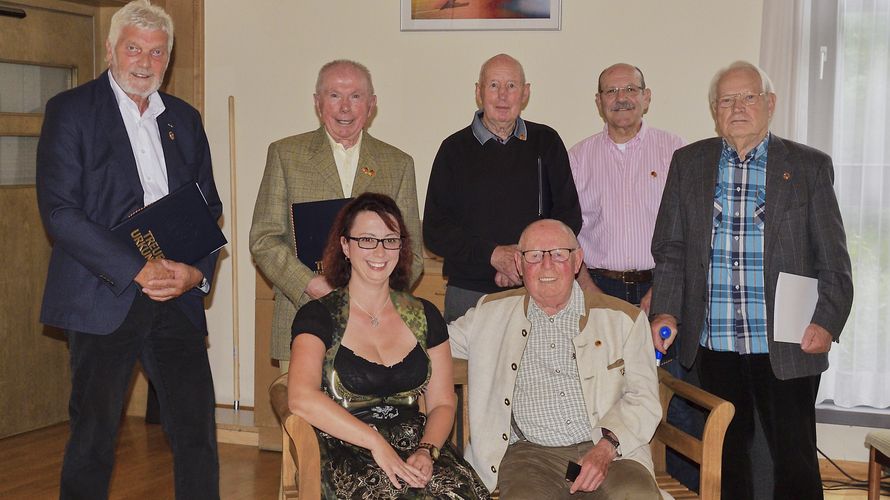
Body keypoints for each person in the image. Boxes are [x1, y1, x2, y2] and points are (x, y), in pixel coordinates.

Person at [35, 1, 222, 498]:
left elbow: (207, 207)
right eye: (134, 48)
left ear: (169, 57)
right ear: (110, 49)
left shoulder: (185, 118)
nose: (145, 62)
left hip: (176, 301)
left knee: (197, 433)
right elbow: (59, 212)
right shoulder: (70, 111)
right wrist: (137, 268)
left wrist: (193, 275)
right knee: (94, 437)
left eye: (157, 52)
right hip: (102, 296)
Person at [649, 60, 854, 500]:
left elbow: (834, 258)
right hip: (715, 340)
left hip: (787, 339)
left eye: (749, 97)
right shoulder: (689, 164)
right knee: (729, 454)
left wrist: (828, 320)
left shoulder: (808, 167)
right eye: (726, 99)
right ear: (714, 110)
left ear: (770, 104)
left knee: (793, 457)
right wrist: (665, 310)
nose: (738, 107)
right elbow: (671, 249)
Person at [287, 193, 489, 499]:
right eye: (367, 239)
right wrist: (375, 442)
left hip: (417, 445)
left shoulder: (424, 315)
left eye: (390, 240)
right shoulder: (319, 316)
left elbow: (443, 403)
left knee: (458, 493)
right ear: (345, 246)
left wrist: (427, 451)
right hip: (346, 447)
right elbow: (301, 397)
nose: (380, 251)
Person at [449, 219, 661, 499]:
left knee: (637, 496)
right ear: (519, 264)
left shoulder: (623, 320)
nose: (547, 265)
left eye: (559, 254)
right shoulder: (490, 315)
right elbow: (430, 343)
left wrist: (606, 448)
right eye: (534, 256)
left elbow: (644, 398)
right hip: (530, 457)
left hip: (611, 452)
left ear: (577, 261)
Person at [568, 62, 700, 490]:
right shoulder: (578, 156)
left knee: (672, 391)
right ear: (598, 102)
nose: (621, 97)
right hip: (597, 285)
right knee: (602, 390)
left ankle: (687, 485)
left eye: (630, 89)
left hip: (662, 286)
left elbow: (689, 228)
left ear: (647, 96)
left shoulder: (675, 151)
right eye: (610, 91)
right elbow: (568, 231)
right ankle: (607, 481)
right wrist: (587, 289)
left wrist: (661, 291)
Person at [250, 60, 424, 369]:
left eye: (356, 96)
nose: (345, 107)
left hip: (378, 330)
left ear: (371, 105)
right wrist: (314, 286)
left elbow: (412, 254)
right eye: (334, 95)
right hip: (303, 315)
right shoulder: (285, 155)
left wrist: (375, 301)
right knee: (302, 418)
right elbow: (264, 240)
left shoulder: (398, 164)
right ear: (317, 102)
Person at [423, 53, 582, 323]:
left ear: (525, 93)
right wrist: (493, 255)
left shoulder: (547, 142)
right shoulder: (453, 150)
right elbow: (435, 231)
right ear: (479, 91)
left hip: (539, 289)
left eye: (511, 86)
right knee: (466, 367)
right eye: (494, 85)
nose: (503, 96)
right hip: (469, 294)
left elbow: (569, 219)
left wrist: (524, 261)